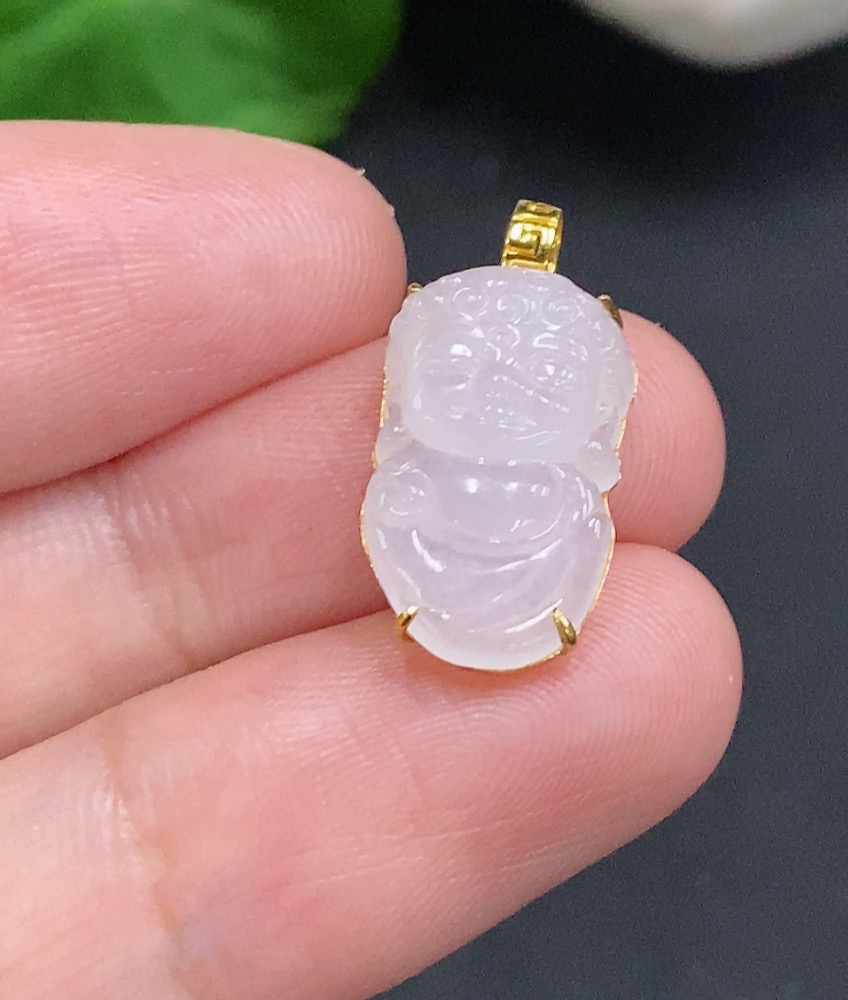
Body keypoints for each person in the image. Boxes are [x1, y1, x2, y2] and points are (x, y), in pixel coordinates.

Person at [0, 120, 742, 1000]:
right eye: (463, 367)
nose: (501, 389)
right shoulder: (416, 455)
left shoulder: (572, 478)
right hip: (435, 535)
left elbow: (591, 467)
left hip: (537, 554)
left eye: (542, 375)